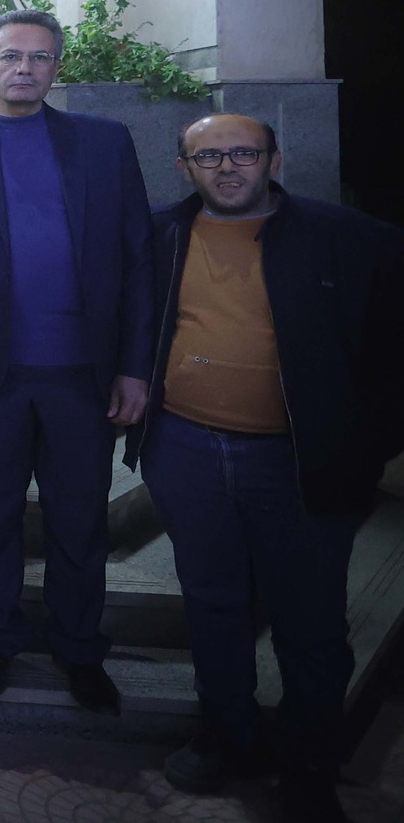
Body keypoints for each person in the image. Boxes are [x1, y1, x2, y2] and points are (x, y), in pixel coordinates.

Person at [130, 114, 403, 823]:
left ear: (273, 160)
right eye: (208, 155)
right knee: (212, 603)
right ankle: (229, 735)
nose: (227, 167)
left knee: (309, 621)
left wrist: (362, 444)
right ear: (185, 167)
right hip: (186, 450)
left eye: (243, 152)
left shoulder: (352, 239)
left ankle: (310, 765)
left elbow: (393, 356)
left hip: (298, 463)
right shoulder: (159, 235)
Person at [0, 10, 152, 714]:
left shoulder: (104, 143)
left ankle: (79, 647)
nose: (24, 69)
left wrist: (135, 366)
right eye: (10, 56)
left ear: (58, 66)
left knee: (79, 517)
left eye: (39, 57)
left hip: (82, 374)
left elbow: (138, 260)